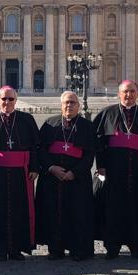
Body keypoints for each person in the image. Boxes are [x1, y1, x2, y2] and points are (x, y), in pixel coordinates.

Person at [93, 80, 138, 258]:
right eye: (125, 92)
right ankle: (112, 246)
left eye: (131, 92)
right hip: (114, 171)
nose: (128, 95)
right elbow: (99, 143)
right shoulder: (107, 113)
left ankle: (137, 246)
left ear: (137, 94)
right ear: (118, 94)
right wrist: (101, 166)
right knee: (113, 208)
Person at [0, 87, 39, 260]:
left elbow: (34, 147)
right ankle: (0, 248)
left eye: (10, 99)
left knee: (20, 210)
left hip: (21, 173)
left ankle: (17, 249)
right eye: (4, 99)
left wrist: (34, 167)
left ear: (15, 101)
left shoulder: (26, 120)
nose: (7, 102)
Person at [36, 91, 95, 260]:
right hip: (52, 178)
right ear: (61, 105)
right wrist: (51, 167)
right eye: (66, 103)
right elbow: (40, 150)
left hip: (77, 179)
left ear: (79, 105)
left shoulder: (87, 126)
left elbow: (90, 155)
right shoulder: (49, 124)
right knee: (52, 213)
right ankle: (55, 248)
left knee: (77, 214)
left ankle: (77, 249)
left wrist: (74, 173)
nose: (69, 105)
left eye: (73, 102)